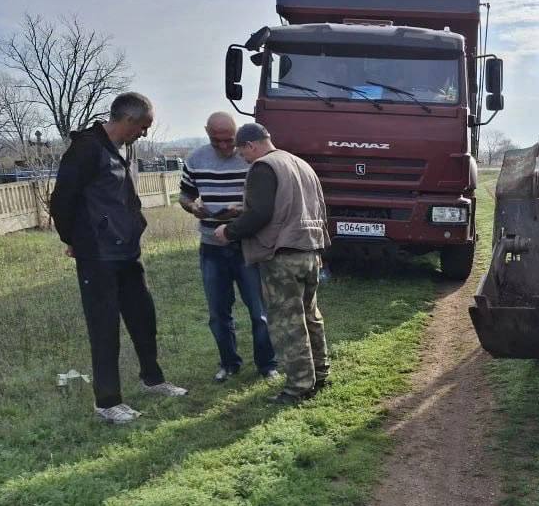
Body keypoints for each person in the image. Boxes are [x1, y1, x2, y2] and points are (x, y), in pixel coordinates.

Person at [49, 92, 187, 423]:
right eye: (143, 126)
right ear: (127, 119)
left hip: (127, 250)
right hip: (97, 254)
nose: (145, 133)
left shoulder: (126, 149)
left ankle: (153, 379)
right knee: (104, 326)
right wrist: (74, 240)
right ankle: (108, 402)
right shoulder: (86, 149)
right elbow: (62, 200)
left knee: (143, 317)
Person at [213, 123, 330, 405]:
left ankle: (299, 386)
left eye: (242, 152)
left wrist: (228, 231)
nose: (244, 158)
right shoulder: (300, 164)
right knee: (310, 316)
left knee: (288, 322)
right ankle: (320, 373)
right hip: (310, 250)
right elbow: (303, 207)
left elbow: (261, 215)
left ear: (250, 145)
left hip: (282, 255)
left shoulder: (263, 167)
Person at [179, 112, 278, 382]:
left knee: (259, 310)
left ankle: (267, 364)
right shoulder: (195, 159)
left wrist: (240, 211)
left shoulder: (251, 157)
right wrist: (192, 207)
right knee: (218, 312)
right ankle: (229, 363)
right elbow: (185, 195)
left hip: (247, 244)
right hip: (211, 246)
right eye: (216, 141)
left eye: (229, 140)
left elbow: (265, 201)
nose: (224, 146)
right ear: (206, 132)